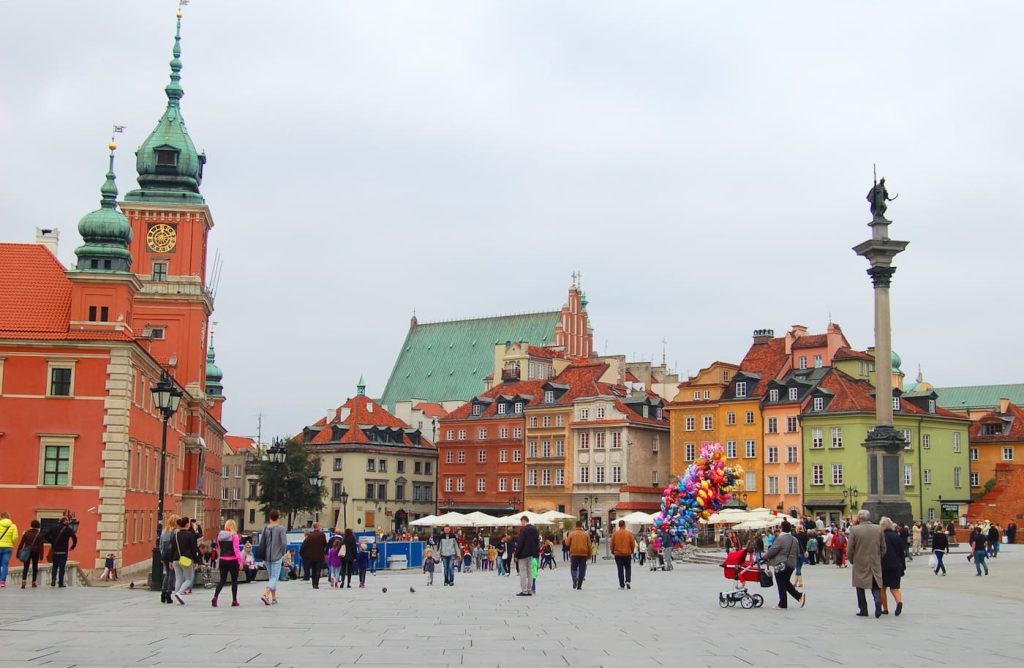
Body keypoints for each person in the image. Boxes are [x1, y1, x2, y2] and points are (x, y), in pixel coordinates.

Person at [848, 509, 885, 618]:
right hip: (874, 561)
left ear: (859, 518)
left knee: (859, 586)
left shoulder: (855, 530)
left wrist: (851, 559)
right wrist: (878, 557)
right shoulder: (878, 529)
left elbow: (850, 548)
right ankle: (878, 601)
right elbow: (883, 547)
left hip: (859, 561)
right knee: (875, 585)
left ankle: (863, 609)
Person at [762, 520, 805, 610]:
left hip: (781, 563)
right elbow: (797, 552)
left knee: (781, 583)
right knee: (785, 582)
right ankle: (799, 596)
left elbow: (773, 550)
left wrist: (764, 557)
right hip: (791, 564)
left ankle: (783, 603)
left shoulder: (781, 538)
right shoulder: (794, 539)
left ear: (782, 528)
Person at [259, 510, 288, 605]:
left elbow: (261, 543)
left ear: (269, 517)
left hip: (266, 556)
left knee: (271, 577)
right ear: (278, 517)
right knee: (274, 577)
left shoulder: (265, 529)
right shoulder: (281, 529)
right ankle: (265, 594)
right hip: (277, 556)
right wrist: (283, 552)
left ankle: (274, 598)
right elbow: (283, 543)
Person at [211, 519, 242, 607]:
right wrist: (240, 562)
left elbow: (219, 547)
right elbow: (236, 550)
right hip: (233, 560)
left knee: (222, 580)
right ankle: (234, 600)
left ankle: (215, 597)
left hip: (223, 559)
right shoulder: (234, 536)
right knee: (234, 581)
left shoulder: (219, 536)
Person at [879, 517, 906, 616]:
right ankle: (899, 602)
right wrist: (903, 566)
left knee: (882, 588)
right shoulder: (896, 536)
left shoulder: (880, 536)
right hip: (896, 565)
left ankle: (885, 609)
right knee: (895, 588)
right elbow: (901, 553)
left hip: (883, 565)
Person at [45, 515, 78, 588]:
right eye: (67, 520)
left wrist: (52, 541)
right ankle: (60, 583)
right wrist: (73, 546)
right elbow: (75, 538)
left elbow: (46, 535)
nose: (68, 522)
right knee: (62, 568)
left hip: (55, 551)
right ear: (64, 521)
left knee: (55, 567)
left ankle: (53, 580)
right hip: (63, 552)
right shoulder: (68, 529)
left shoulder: (54, 528)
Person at [171, 516, 198, 605]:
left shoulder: (175, 535)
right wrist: (196, 561)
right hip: (186, 559)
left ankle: (177, 598)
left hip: (175, 559)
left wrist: (170, 561)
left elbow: (172, 548)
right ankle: (179, 593)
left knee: (178, 579)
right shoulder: (190, 535)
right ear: (187, 524)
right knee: (189, 579)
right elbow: (194, 549)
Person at [514, 515, 540, 597]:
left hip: (523, 554)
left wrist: (516, 555)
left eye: (521, 521)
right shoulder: (535, 529)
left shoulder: (524, 530)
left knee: (523, 573)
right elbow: (537, 542)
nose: (521, 523)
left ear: (524, 521)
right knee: (530, 572)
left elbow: (520, 543)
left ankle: (524, 590)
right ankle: (530, 590)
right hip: (532, 554)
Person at [563, 521, 591, 590]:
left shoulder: (572, 534)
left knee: (573, 568)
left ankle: (574, 579)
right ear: (581, 526)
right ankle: (579, 586)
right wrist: (589, 555)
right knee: (582, 569)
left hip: (574, 554)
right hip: (583, 554)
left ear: (576, 525)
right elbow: (589, 546)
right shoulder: (586, 534)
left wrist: (565, 538)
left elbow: (567, 543)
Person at [17, 519, 44, 588]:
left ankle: (23, 581)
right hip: (36, 552)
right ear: (38, 526)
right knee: (35, 566)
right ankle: (34, 582)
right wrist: (41, 556)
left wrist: (18, 552)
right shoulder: (39, 534)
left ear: (31, 525)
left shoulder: (26, 533)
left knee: (26, 567)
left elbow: (21, 544)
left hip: (27, 551)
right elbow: (41, 546)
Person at [300, 522, 328, 589]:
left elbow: (307, 545)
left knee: (313, 570)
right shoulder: (322, 535)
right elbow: (325, 544)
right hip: (319, 555)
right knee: (318, 570)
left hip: (311, 556)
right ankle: (316, 584)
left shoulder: (310, 535)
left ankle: (313, 583)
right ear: (318, 526)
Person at [610, 520, 636, 590]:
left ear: (619, 525)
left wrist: (613, 551)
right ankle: (628, 581)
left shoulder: (615, 534)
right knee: (628, 568)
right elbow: (632, 544)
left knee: (620, 569)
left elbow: (611, 544)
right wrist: (632, 551)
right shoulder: (629, 534)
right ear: (625, 525)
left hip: (618, 554)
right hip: (627, 553)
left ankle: (621, 585)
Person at [0, 512, 18, 588]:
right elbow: (15, 537)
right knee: (5, 565)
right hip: (8, 547)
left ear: (1, 517)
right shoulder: (13, 526)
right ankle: (2, 582)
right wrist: (11, 542)